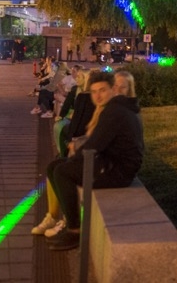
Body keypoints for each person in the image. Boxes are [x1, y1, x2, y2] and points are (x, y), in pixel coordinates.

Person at [42, 70, 144, 251]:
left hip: (117, 171)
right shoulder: (115, 108)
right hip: (110, 162)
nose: (97, 96)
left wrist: (74, 157)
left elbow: (94, 145)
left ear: (113, 90)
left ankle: (74, 231)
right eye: (94, 91)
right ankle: (68, 219)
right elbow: (97, 143)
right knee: (54, 167)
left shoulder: (114, 111)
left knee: (62, 172)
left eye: (102, 90)